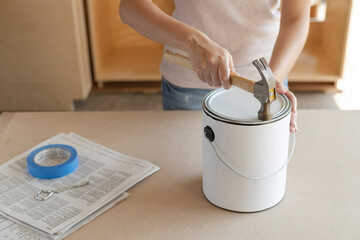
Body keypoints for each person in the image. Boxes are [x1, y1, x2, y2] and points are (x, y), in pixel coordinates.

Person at [120, 0, 312, 132]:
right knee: (184, 173)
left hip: (266, 75)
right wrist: (194, 42)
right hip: (190, 82)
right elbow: (131, 7)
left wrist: (274, 78)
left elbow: (296, 18)